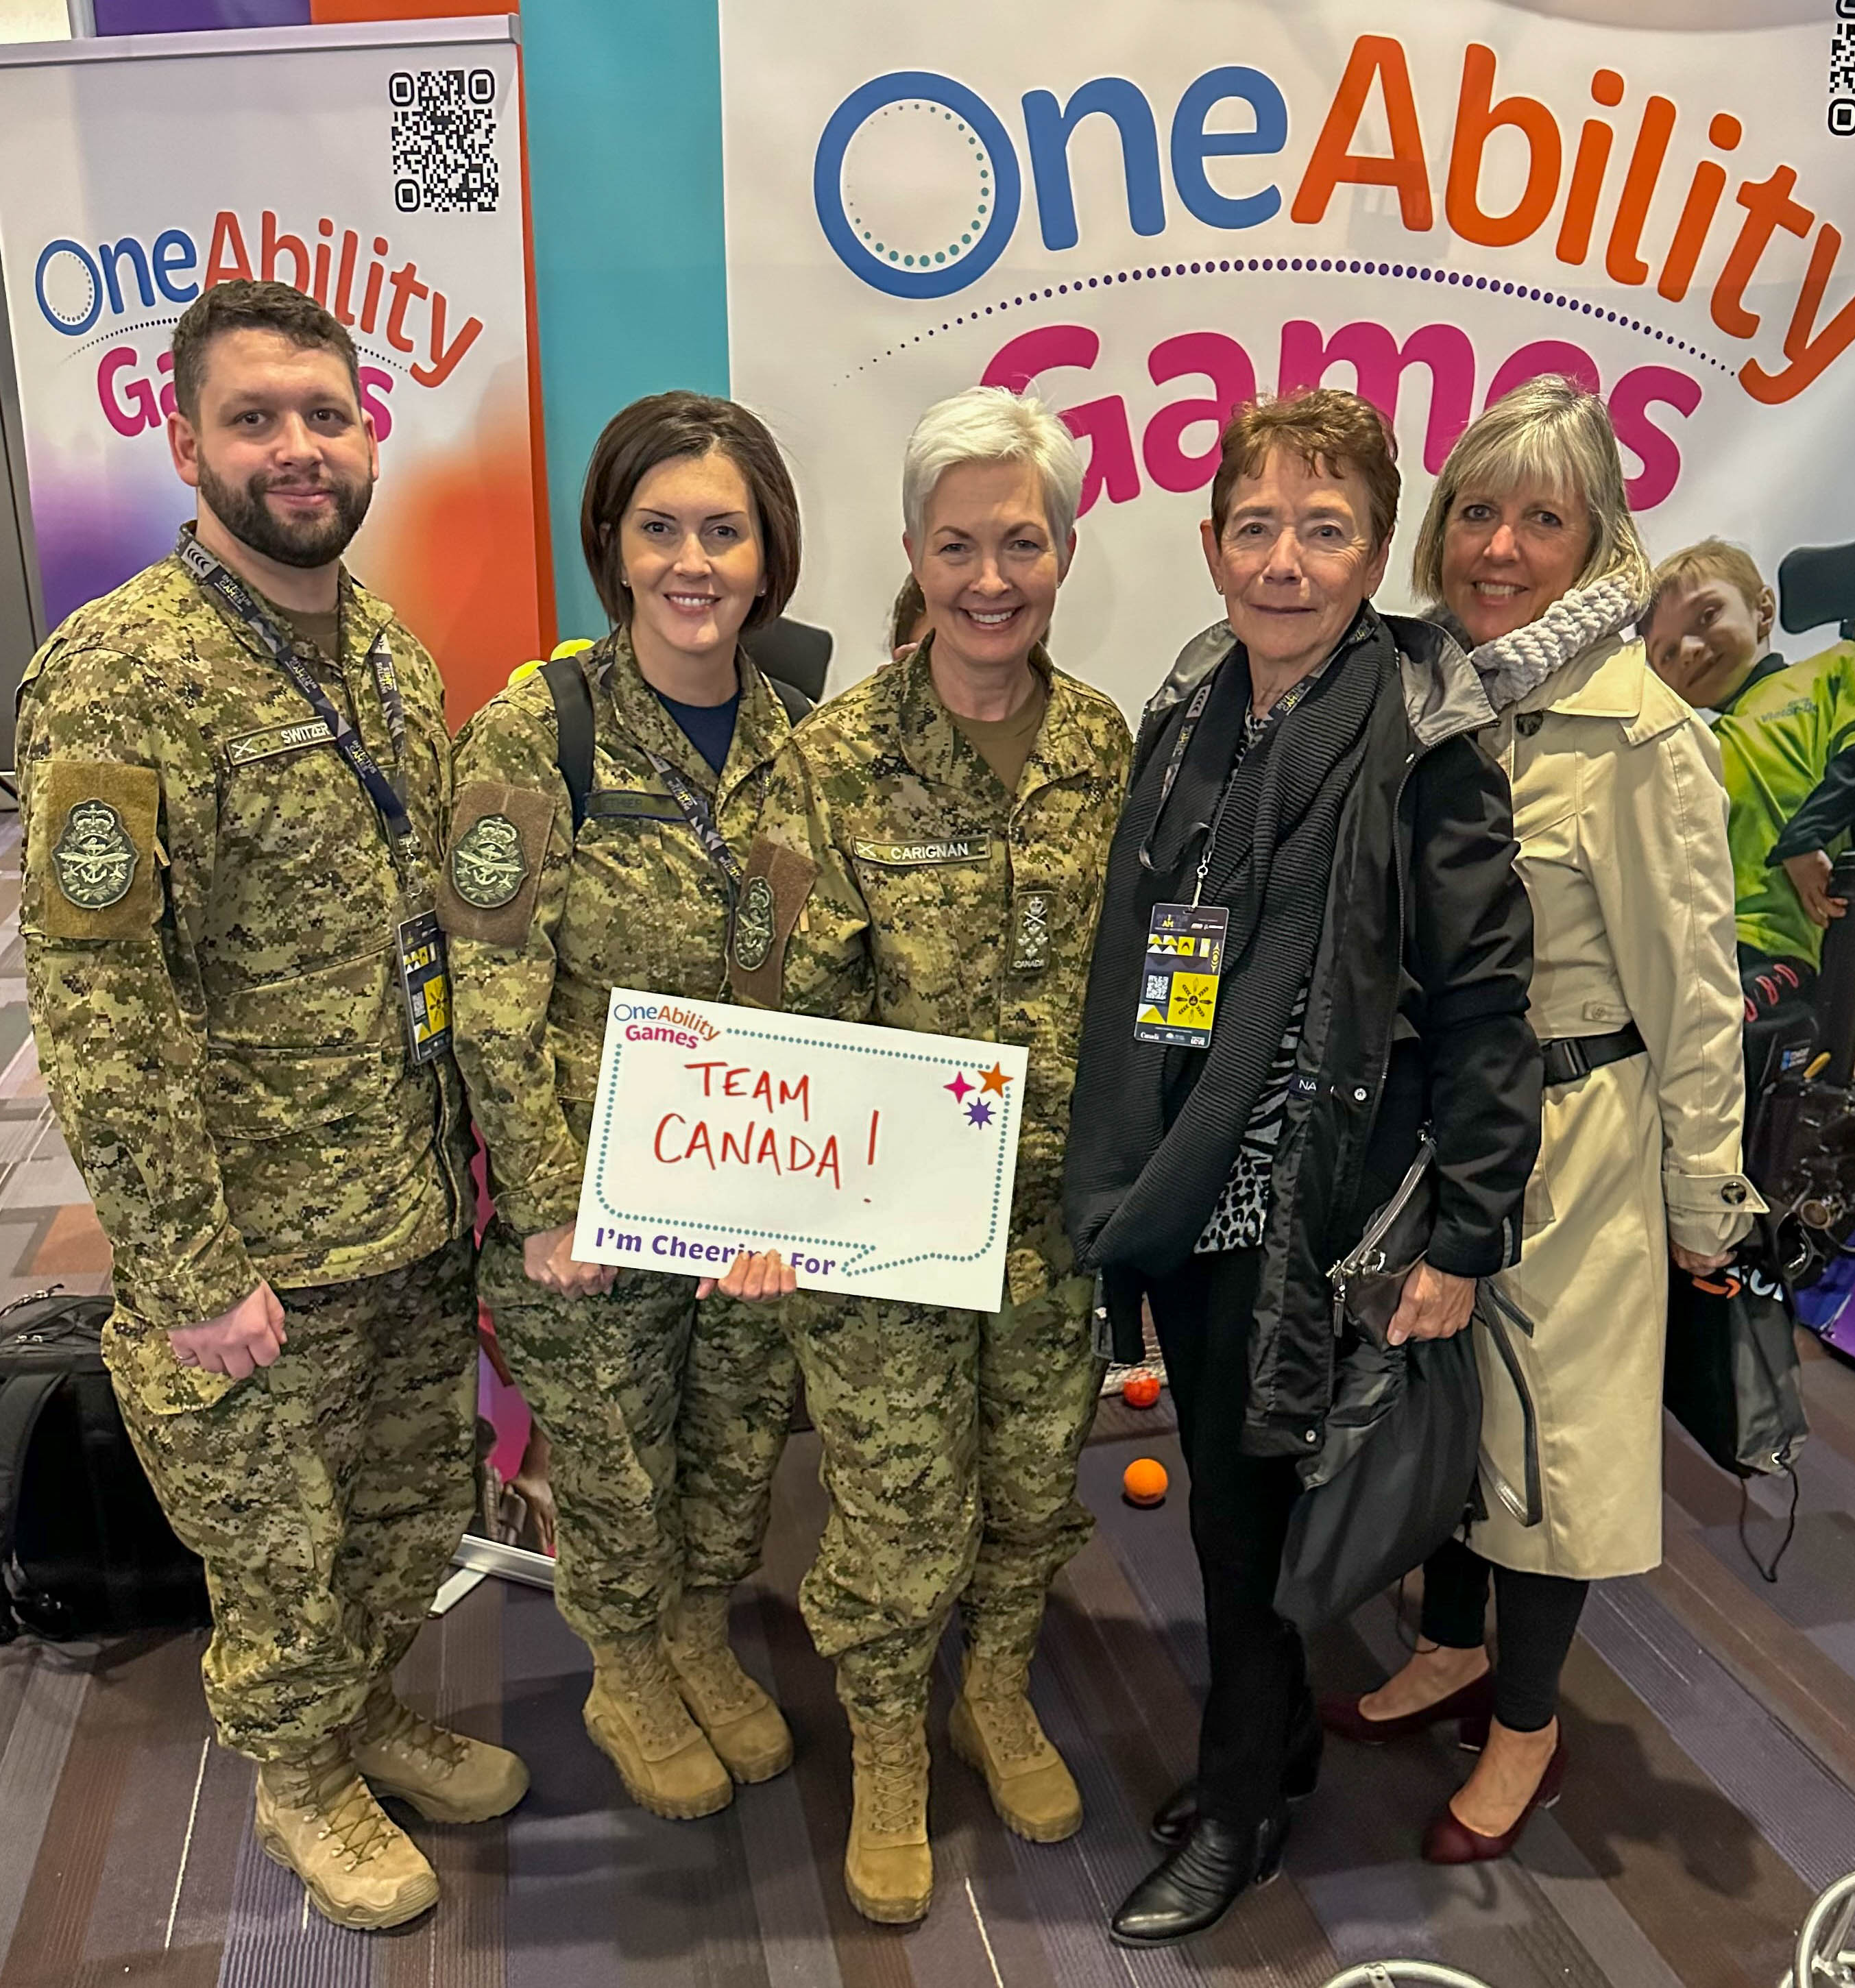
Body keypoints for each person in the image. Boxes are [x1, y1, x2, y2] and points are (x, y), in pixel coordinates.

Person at [15, 278, 525, 1933]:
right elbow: (101, 1000)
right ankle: (301, 1773)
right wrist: (182, 1270)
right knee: (279, 1548)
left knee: (396, 1511)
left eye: (324, 413)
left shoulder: (381, 650)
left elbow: (434, 923)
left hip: (401, 1199)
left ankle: (367, 1713)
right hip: (253, 1251)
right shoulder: (116, 679)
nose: (297, 449)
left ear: (365, 430)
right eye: (255, 418)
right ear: (183, 442)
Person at [1063, 389, 1542, 1947]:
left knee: (1256, 1525)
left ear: (1373, 550)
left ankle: (1242, 1807)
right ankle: (1261, 1745)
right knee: (1219, 1497)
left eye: (1321, 528)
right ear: (1210, 550)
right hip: (1188, 1187)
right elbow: (1152, 948)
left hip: (1322, 1215)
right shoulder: (1195, 702)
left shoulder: (1422, 737)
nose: (1284, 561)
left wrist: (1464, 1233)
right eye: (1255, 526)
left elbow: (1485, 1008)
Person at [1338, 378, 1758, 1862]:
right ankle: (1448, 1646)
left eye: (1541, 517)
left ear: (1596, 540)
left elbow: (1694, 990)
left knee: (1550, 1450)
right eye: (1474, 508)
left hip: (1581, 1133)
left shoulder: (1639, 732)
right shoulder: (1412, 689)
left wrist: (1704, 1200)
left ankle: (1525, 1723)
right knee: (1438, 1411)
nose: (1496, 545)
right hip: (1436, 1116)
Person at [730, 385, 1132, 1925]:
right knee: (898, 1509)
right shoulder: (824, 764)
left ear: (1063, 548)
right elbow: (766, 1003)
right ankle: (892, 1744)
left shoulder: (1109, 748)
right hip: (883, 1231)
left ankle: (999, 1693)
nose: (987, 578)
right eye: (955, 544)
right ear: (909, 550)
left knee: (1032, 1486)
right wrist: (765, 1205)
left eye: (1018, 542)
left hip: (1052, 1225)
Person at [443, 393, 805, 1821]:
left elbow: (807, 978)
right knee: (617, 1475)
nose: (692, 562)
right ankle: (627, 1668)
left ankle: (698, 1636)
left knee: (727, 1460)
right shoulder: (538, 731)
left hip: (744, 1197)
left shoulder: (794, 739)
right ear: (612, 546)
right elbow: (488, 984)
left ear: (767, 553)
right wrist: (541, 1204)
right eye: (659, 529)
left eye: (723, 529)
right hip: (590, 1214)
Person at [1642, 537, 1855, 1055]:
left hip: (1771, 946)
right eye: (1666, 653)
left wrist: (1802, 842)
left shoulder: (1835, 667)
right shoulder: (1698, 746)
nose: (1690, 651)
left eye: (1706, 616)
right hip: (1689, 943)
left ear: (1763, 610)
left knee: (1717, 1035)